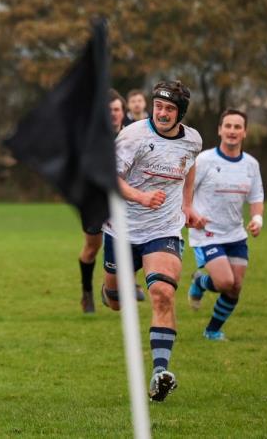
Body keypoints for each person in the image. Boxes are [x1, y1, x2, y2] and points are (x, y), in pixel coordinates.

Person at [101, 80, 206, 402]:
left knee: (161, 293)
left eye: (170, 109)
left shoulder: (192, 140)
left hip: (164, 229)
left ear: (180, 113)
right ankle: (110, 291)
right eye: (158, 106)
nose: (162, 113)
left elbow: (189, 166)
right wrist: (140, 196)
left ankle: (160, 372)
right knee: (116, 300)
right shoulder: (133, 136)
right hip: (121, 230)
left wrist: (187, 205)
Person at [187, 109, 264, 341]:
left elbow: (257, 197)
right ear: (220, 130)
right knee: (224, 282)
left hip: (236, 234)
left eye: (237, 127)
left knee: (235, 287)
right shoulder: (205, 160)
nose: (232, 131)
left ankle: (212, 331)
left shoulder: (251, 164)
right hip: (207, 232)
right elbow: (186, 191)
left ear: (245, 133)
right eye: (228, 126)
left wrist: (257, 219)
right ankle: (199, 281)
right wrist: (191, 213)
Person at [78, 90, 144, 313]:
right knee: (91, 248)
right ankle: (86, 292)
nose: (113, 114)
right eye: (108, 111)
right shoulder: (92, 138)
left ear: (123, 112)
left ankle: (121, 286)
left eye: (116, 110)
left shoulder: (132, 138)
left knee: (130, 243)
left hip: (124, 203)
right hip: (95, 202)